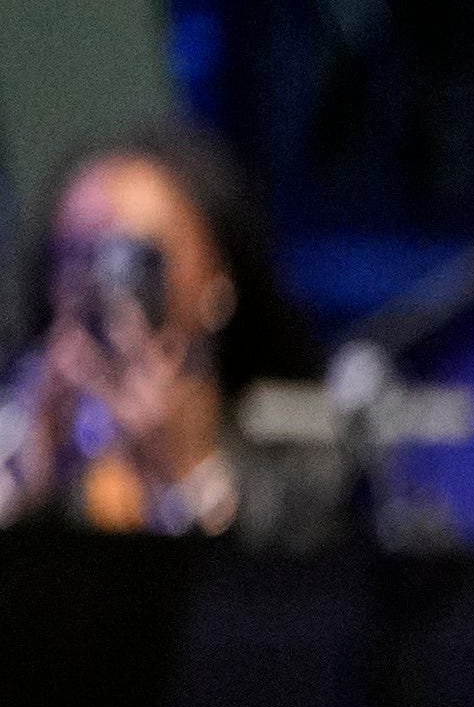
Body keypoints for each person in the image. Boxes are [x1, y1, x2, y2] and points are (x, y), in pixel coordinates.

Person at [4, 126, 326, 542]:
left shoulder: (299, 454)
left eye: (135, 263)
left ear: (216, 282)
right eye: (74, 260)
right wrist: (32, 491)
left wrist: (185, 481)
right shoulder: (22, 439)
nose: (100, 296)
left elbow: (276, 595)